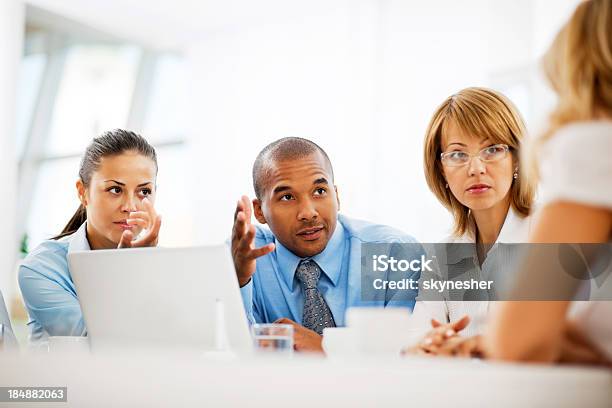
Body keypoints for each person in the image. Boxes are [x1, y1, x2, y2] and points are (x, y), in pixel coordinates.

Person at [487, 0, 612, 365]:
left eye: (494, 148)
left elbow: (520, 344)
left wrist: (505, 339)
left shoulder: (595, 145)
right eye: (457, 154)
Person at [232, 137, 420, 352]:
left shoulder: (395, 253)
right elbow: (229, 356)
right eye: (287, 197)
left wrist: (327, 350)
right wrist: (239, 280)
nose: (308, 213)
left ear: (337, 195)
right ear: (259, 211)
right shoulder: (246, 255)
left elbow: (409, 355)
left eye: (320, 191)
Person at [407, 87, 536, 355]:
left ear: (516, 159)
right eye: (457, 154)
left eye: (492, 149)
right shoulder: (441, 256)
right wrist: (428, 346)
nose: (476, 168)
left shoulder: (550, 234)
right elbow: (416, 342)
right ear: (441, 170)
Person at [19, 129, 161, 343]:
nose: (130, 207)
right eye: (115, 190)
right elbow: (98, 343)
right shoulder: (42, 267)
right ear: (82, 192)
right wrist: (126, 266)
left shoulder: (164, 267)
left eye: (144, 192)